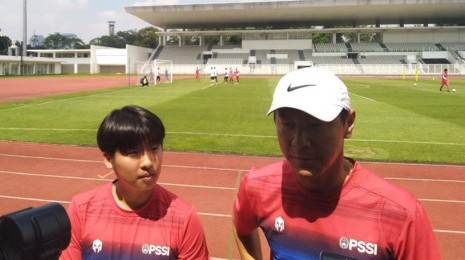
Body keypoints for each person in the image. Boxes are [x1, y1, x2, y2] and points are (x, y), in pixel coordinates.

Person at [233, 67, 440, 260]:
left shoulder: (401, 216)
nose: (299, 141)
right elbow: (241, 227)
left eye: (316, 125)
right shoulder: (257, 187)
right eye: (287, 124)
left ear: (348, 124)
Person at [60, 105, 209, 259]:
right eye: (133, 152)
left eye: (154, 148)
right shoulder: (82, 210)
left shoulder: (183, 219)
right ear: (108, 159)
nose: (148, 162)